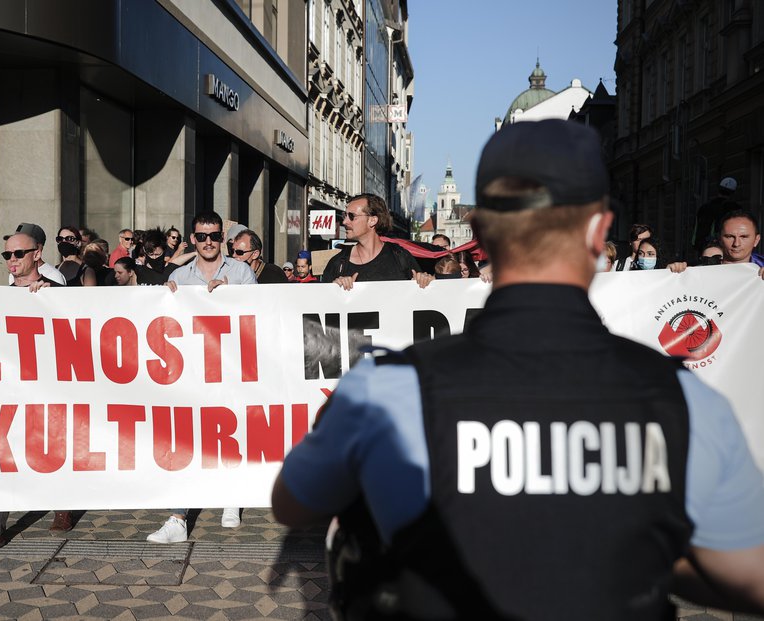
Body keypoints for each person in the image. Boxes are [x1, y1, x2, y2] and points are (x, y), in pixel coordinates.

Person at [272, 119, 764, 620]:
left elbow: (294, 503)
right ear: (598, 232)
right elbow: (749, 575)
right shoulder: (683, 399)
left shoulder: (386, 388)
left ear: (481, 233)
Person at [148, 211, 257, 544]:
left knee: (229, 430)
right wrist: (164, 296)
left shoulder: (241, 272)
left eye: (213, 236)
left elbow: (258, 314)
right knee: (186, 436)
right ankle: (178, 518)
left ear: (222, 236)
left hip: (231, 368)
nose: (207, 242)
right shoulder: (180, 275)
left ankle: (231, 496)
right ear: (191, 239)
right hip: (192, 370)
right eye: (200, 236)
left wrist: (231, 296)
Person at [0, 231, 74, 554]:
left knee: (53, 449)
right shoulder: (1, 297)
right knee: (1, 453)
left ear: (37, 254)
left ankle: (63, 505)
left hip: (50, 387)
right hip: (10, 387)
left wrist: (50, 297)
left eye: (18, 254)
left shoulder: (57, 292)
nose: (11, 260)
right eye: (6, 255)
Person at [322, 193, 433, 290]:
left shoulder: (400, 256)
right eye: (344, 215)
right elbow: (322, 305)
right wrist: (334, 290)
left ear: (372, 220)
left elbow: (423, 298)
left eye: (352, 216)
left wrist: (425, 281)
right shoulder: (337, 264)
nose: (345, 221)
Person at [693, 177, 738, 254]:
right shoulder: (734, 208)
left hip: (703, 246)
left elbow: (696, 229)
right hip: (721, 247)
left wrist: (696, 244)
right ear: (733, 193)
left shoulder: (704, 207)